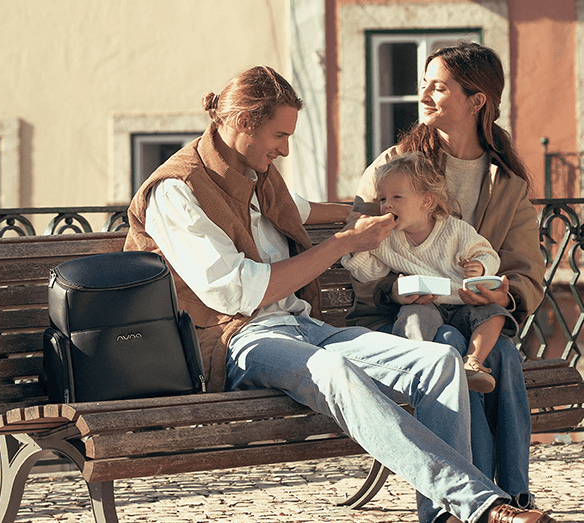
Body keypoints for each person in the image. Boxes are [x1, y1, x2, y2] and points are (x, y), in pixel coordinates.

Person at [125, 64, 554, 523]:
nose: (285, 149)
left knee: (440, 363)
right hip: (239, 340)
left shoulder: (256, 175)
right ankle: (481, 506)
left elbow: (303, 209)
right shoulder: (176, 191)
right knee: (336, 370)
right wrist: (344, 244)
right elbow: (237, 294)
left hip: (305, 327)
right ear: (243, 122)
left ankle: (441, 517)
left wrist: (379, 217)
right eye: (279, 136)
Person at [347, 42, 545, 510]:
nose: (425, 95)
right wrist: (391, 290)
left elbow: (525, 273)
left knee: (504, 360)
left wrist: (502, 289)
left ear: (477, 101)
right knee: (450, 356)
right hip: (407, 321)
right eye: (424, 84)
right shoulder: (394, 167)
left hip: (476, 314)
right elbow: (358, 246)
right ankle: (474, 501)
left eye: (439, 87)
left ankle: (510, 493)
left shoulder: (507, 181)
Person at [341, 152, 518, 394]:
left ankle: (473, 362)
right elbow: (370, 272)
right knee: (413, 315)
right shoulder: (388, 238)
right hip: (428, 304)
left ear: (426, 201)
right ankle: (414, 367)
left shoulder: (455, 230)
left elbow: (487, 253)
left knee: (495, 313)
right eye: (383, 199)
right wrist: (356, 247)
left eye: (396, 197)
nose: (387, 205)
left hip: (462, 303)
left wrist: (480, 266)